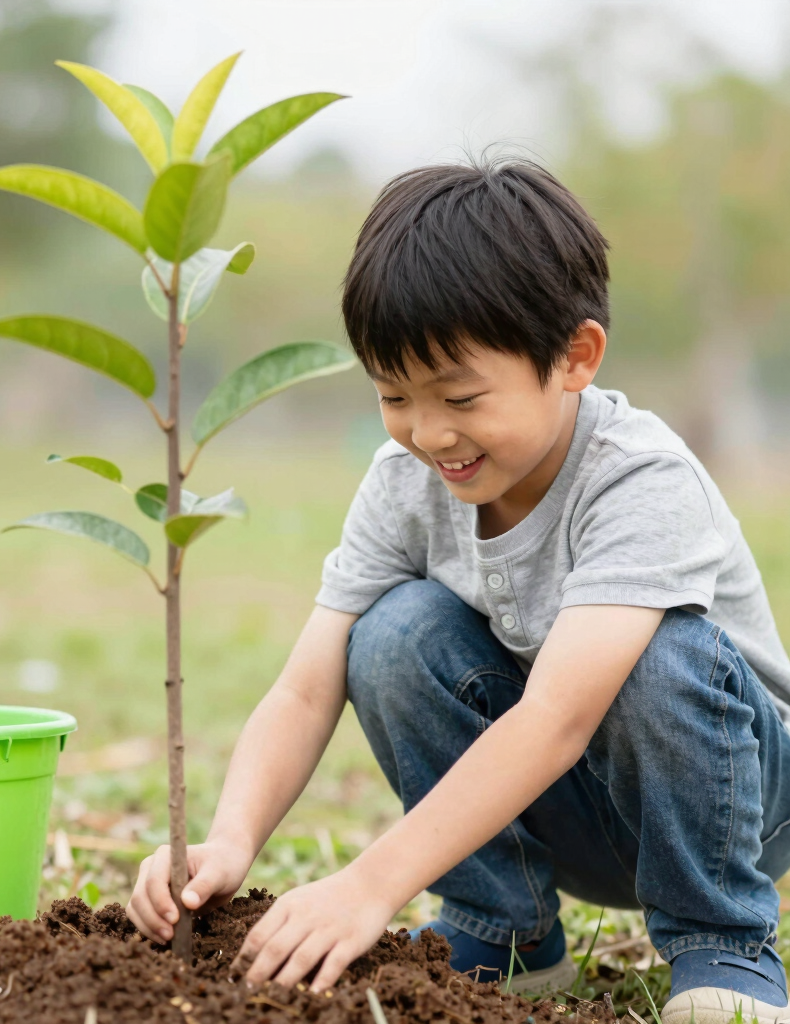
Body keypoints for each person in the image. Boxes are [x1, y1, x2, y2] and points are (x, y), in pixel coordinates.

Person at [126, 160, 790, 1024]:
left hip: (730, 801)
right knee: (391, 633)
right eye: (394, 395)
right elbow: (305, 684)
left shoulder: (641, 481)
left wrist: (369, 885)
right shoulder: (407, 479)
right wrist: (229, 839)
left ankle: (722, 943)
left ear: (575, 357)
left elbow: (558, 717)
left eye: (461, 396)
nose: (429, 433)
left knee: (656, 654)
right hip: (565, 807)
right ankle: (504, 931)